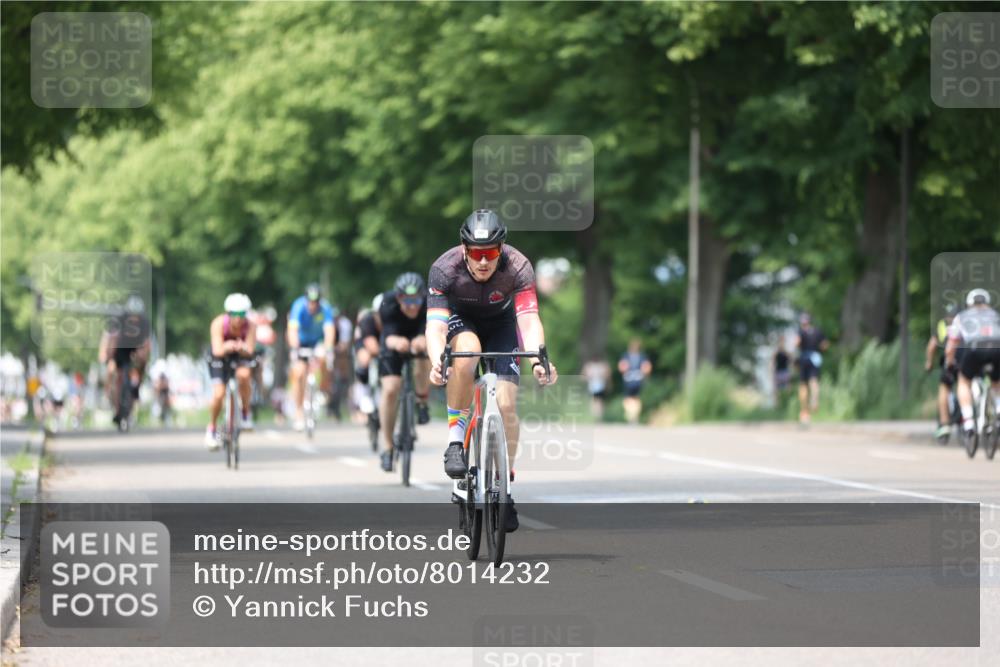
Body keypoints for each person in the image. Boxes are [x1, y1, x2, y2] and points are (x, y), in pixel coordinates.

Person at [426, 209, 559, 533]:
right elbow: (436, 328)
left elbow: (528, 319)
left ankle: (505, 486)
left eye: (491, 254)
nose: (484, 262)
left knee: (508, 404)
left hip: (501, 325)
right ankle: (456, 442)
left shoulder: (519, 267)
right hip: (462, 322)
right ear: (464, 249)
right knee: (467, 351)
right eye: (476, 254)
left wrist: (539, 360)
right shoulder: (444, 269)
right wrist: (436, 361)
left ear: (501, 250)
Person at [378, 272, 430, 472]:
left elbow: (432, 330)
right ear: (398, 297)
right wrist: (396, 342)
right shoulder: (388, 303)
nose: (411, 306)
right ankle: (388, 447)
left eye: (416, 300)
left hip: (419, 335)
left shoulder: (428, 304)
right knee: (391, 389)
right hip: (394, 339)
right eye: (406, 300)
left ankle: (422, 401)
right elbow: (388, 336)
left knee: (423, 355)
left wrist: (422, 339)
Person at [945, 288, 1000, 441]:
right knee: (996, 383)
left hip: (975, 348)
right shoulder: (995, 315)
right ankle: (998, 407)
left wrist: (950, 363)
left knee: (964, 382)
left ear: (969, 303)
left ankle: (969, 423)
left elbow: (951, 345)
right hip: (997, 348)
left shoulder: (962, 316)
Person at [205, 293, 257, 449]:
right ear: (228, 313)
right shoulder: (218, 324)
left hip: (239, 356)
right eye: (234, 314)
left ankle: (245, 413)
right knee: (219, 393)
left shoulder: (251, 326)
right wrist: (228, 346)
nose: (238, 318)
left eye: (242, 314)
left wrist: (241, 348)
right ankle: (212, 427)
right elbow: (217, 350)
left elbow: (250, 349)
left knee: (245, 375)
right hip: (220, 357)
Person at [286, 283, 336, 431]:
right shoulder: (299, 306)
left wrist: (328, 348)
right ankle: (299, 411)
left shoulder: (326, 308)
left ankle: (323, 390)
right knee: (299, 372)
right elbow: (292, 330)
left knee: (325, 359)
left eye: (316, 302)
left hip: (318, 341)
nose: (313, 305)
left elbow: (329, 331)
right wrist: (295, 347)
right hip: (301, 342)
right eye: (310, 302)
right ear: (306, 299)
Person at [98, 295, 151, 427]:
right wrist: (105, 354)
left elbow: (147, 343)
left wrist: (143, 357)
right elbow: (108, 338)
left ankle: (136, 389)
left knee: (141, 366)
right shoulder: (119, 320)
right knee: (112, 370)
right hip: (119, 348)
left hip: (134, 348)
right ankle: (110, 398)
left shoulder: (144, 323)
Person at [925, 302, 961, 442]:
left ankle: (945, 424)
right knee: (964, 384)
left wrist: (929, 363)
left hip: (950, 361)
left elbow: (932, 346)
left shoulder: (942, 326)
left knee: (944, 389)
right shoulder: (966, 322)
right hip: (966, 360)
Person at [794, 313, 829, 424]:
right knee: (814, 381)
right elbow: (825, 345)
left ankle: (804, 411)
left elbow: (797, 343)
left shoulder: (801, 332)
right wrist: (817, 348)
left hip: (805, 357)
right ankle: (814, 400)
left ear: (802, 322)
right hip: (815, 357)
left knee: (803, 384)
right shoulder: (817, 331)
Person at [352, 298, 382, 418]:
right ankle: (364, 394)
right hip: (365, 342)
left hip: (382, 343)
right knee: (365, 357)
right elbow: (372, 346)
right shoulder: (367, 320)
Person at [618, 338, 651, 424]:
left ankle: (631, 415)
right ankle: (633, 415)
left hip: (631, 379)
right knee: (635, 398)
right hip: (635, 378)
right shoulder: (641, 356)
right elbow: (647, 367)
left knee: (630, 398)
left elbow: (621, 367)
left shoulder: (626, 356)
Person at [772, 335, 792, 400]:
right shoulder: (776, 351)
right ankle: (777, 403)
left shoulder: (786, 351)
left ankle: (787, 400)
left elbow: (790, 359)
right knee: (776, 389)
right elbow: (773, 361)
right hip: (778, 371)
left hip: (785, 371)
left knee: (787, 387)